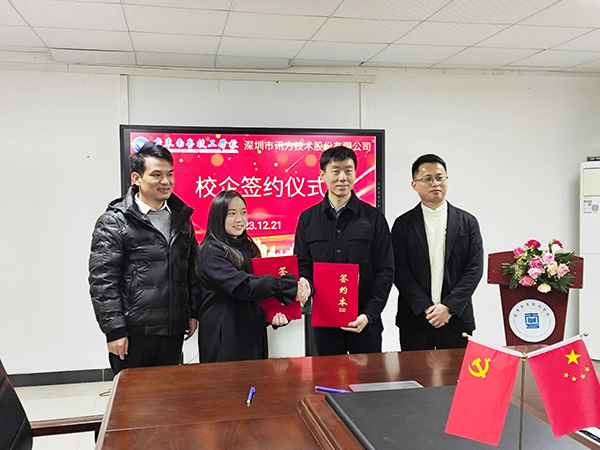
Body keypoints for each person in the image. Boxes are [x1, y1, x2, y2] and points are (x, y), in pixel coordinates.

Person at [89, 142, 200, 375]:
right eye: (156, 175)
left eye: (170, 174)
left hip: (172, 330)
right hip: (134, 333)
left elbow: (191, 270)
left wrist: (192, 312)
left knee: (168, 392)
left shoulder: (181, 220)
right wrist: (114, 330)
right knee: (133, 396)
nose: (166, 181)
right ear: (137, 178)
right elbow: (103, 281)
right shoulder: (115, 221)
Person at [294, 146, 394, 356]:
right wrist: (304, 283)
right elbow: (302, 264)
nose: (342, 177)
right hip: (324, 324)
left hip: (365, 322)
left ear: (355, 173)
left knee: (368, 377)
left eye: (348, 170)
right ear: (322, 175)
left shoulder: (373, 218)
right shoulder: (308, 219)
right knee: (327, 376)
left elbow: (385, 270)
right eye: (335, 170)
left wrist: (369, 314)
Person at [196, 190, 309, 363]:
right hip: (224, 336)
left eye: (243, 212)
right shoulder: (210, 251)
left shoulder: (248, 247)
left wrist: (271, 315)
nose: (240, 219)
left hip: (252, 333)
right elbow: (242, 287)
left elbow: (258, 291)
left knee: (256, 378)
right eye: (232, 214)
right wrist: (288, 286)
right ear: (218, 217)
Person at [392, 154, 483, 351]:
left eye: (440, 178)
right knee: (415, 371)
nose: (435, 183)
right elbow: (399, 270)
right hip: (415, 319)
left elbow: (474, 269)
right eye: (427, 179)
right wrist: (425, 307)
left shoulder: (467, 222)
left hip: (456, 318)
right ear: (414, 184)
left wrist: (449, 307)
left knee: (457, 371)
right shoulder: (403, 224)